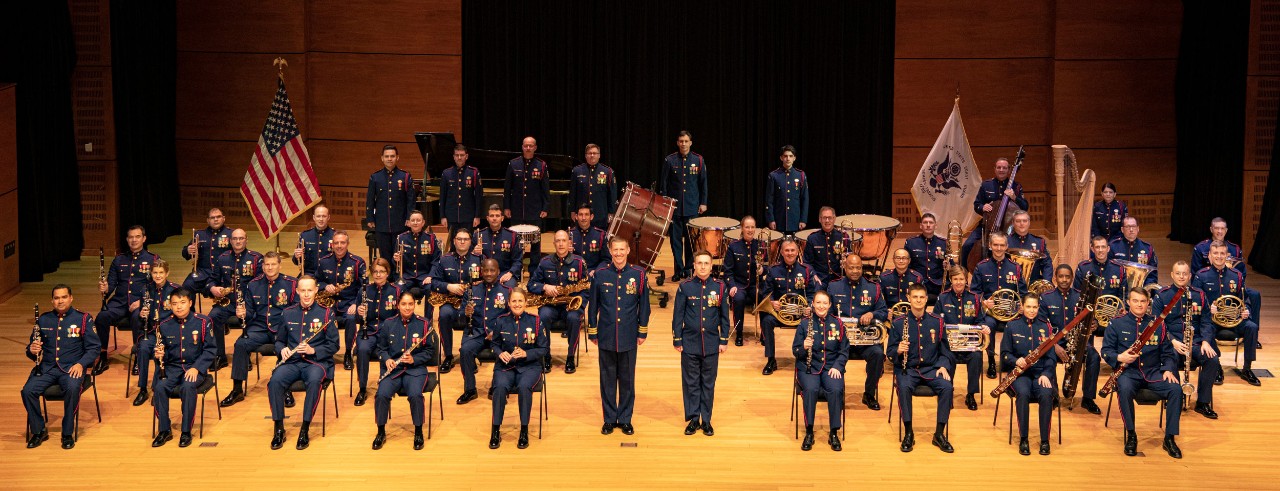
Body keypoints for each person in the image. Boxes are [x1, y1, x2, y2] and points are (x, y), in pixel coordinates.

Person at [1102, 288, 1183, 459]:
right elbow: (1106, 351)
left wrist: (1168, 368)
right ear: (1128, 302)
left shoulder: (1158, 324)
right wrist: (1120, 357)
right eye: (1135, 301)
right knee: (1124, 389)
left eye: (1143, 301)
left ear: (1148, 304)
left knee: (1176, 389)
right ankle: (1131, 434)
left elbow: (1168, 353)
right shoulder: (1116, 323)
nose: (1139, 305)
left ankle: (1169, 438)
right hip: (1129, 373)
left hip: (1153, 372)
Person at [23, 284, 100, 449]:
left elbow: (94, 348)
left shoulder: (83, 319)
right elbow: (32, 350)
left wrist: (81, 364)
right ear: (52, 301)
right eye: (56, 298)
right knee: (28, 391)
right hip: (47, 369)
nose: (60, 301)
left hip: (72, 368)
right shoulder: (43, 319)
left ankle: (67, 433)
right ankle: (39, 431)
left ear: (71, 298)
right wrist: (32, 350)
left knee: (72, 389)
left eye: (64, 297)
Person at [268, 276, 340, 450]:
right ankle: (279, 428)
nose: (306, 294)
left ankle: (304, 428)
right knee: (274, 382)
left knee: (314, 382)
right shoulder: (287, 313)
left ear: (316, 291)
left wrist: (313, 350)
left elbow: (334, 345)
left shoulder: (326, 313)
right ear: (297, 292)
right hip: (292, 362)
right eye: (303, 291)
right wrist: (282, 349)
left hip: (316, 363)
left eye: (310, 290)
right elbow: (279, 341)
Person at [590, 237, 651, 435]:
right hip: (606, 334)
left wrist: (642, 331)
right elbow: (593, 305)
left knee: (627, 380)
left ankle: (625, 419)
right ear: (610, 251)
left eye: (621, 249)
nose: (618, 253)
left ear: (628, 250)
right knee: (607, 379)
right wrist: (593, 330)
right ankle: (609, 419)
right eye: (615, 250)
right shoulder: (600, 274)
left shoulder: (638, 274)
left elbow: (644, 306)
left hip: (628, 335)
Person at [220, 252, 297, 408]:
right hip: (259, 327)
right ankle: (237, 390)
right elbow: (249, 312)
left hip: (282, 327)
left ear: (280, 265)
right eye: (267, 264)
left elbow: (296, 310)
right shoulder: (253, 284)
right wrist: (243, 313)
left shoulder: (291, 283)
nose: (270, 267)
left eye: (273, 264)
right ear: (262, 266)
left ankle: (286, 389)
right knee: (240, 344)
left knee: (286, 347)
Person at [889, 283, 955, 453]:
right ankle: (908, 432)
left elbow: (945, 350)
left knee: (947, 387)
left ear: (926, 299)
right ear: (909, 299)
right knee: (903, 387)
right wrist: (898, 350)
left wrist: (943, 366)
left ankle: (939, 434)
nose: (918, 300)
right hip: (908, 369)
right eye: (915, 297)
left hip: (932, 368)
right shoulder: (898, 323)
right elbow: (889, 352)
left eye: (921, 297)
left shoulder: (937, 321)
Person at [673, 250, 731, 437]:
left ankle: (706, 420)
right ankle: (693, 419)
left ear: (711, 266)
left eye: (706, 263)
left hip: (712, 343)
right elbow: (678, 315)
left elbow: (724, 316)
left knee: (708, 383)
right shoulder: (685, 287)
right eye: (700, 263)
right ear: (694, 265)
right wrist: (677, 339)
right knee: (691, 383)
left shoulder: (720, 287)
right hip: (689, 342)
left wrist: (723, 340)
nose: (703, 267)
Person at [150, 288, 217, 448]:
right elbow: (160, 352)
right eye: (174, 304)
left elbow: (210, 350)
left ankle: (186, 431)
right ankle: (164, 430)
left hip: (194, 367)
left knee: (187, 386)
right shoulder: (164, 325)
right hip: (172, 368)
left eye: (182, 302)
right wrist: (158, 354)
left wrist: (197, 368)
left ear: (190, 303)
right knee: (159, 387)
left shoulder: (203, 322)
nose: (178, 307)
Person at [1152, 261, 1220, 419]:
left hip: (1195, 342)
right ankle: (1176, 397)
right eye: (1178, 273)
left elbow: (1206, 322)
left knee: (1212, 359)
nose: (1181, 276)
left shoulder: (1199, 295)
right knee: (1171, 358)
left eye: (1184, 274)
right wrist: (1172, 341)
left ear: (1190, 276)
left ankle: (1203, 402)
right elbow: (1157, 324)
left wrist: (1206, 341)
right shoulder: (1162, 295)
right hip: (1172, 343)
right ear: (1172, 275)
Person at [372, 291, 437, 451]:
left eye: (410, 304)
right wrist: (387, 359)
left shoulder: (424, 324)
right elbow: (381, 348)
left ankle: (418, 431)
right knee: (381, 395)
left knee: (415, 395)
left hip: (415, 370)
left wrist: (415, 359)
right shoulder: (388, 324)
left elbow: (429, 351)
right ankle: (380, 432)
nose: (407, 307)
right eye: (403, 304)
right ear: (398, 305)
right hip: (393, 370)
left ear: (415, 305)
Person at [488, 288, 549, 449]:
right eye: (513, 301)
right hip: (505, 366)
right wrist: (500, 353)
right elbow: (494, 344)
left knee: (524, 387)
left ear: (526, 303)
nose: (517, 304)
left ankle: (524, 430)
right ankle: (495, 429)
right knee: (499, 387)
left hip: (529, 366)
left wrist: (526, 354)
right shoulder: (500, 320)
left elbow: (544, 349)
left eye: (520, 300)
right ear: (508, 303)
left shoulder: (536, 321)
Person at [94, 225, 159, 375]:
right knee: (102, 317)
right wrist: (105, 288)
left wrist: (143, 302)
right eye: (131, 237)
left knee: (138, 317)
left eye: (137, 236)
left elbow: (157, 286)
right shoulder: (119, 260)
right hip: (120, 302)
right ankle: (103, 356)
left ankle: (138, 356)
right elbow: (112, 284)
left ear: (144, 239)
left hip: (140, 302)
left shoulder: (153, 259)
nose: (134, 240)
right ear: (127, 239)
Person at [1072, 236, 1127, 414]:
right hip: (1089, 319)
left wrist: (1120, 312)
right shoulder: (1083, 268)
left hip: (1112, 321)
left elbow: (1123, 297)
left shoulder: (1119, 269)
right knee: (1091, 356)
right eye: (1097, 247)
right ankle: (1088, 398)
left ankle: (1122, 384)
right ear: (1092, 248)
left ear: (1108, 249)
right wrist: (1089, 318)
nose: (1101, 250)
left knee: (1123, 346)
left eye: (1104, 247)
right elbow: (1077, 296)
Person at [825, 254, 887, 410]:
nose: (855, 271)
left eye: (858, 268)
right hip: (840, 340)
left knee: (878, 354)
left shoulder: (873, 287)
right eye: (851, 267)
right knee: (827, 352)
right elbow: (827, 313)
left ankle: (869, 394)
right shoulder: (833, 286)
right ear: (845, 267)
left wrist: (872, 314)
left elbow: (883, 311)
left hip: (864, 340)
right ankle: (836, 392)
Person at [1194, 241, 1261, 386]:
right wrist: (1208, 309)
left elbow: (1244, 299)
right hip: (1212, 320)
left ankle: (1247, 368)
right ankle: (1216, 367)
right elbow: (1195, 301)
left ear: (1227, 255)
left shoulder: (1237, 275)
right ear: (1209, 256)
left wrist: (1245, 311)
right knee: (1206, 329)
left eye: (1222, 253)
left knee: (1252, 327)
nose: (1219, 256)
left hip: (1234, 320)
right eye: (1215, 253)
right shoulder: (1201, 276)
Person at [1190, 217, 1261, 349]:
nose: (1219, 231)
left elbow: (1242, 274)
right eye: (1217, 228)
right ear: (1211, 229)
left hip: (1231, 286)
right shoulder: (1201, 249)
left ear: (1226, 230)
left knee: (1254, 297)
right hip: (1209, 288)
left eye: (1222, 228)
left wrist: (1245, 310)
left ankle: (1252, 340)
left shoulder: (1235, 249)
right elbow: (1195, 276)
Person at [1000, 293, 1057, 456]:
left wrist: (1046, 374)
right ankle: (1023, 439)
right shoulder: (1012, 326)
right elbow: (1004, 354)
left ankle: (1045, 440)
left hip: (1041, 374)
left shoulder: (1046, 327)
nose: (1032, 310)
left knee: (1046, 394)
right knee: (1023, 394)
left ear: (1038, 308)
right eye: (1028, 307)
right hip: (1020, 374)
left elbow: (1051, 357)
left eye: (1035, 307)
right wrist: (1015, 360)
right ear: (1022, 307)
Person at [793, 290, 848, 451]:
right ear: (813, 304)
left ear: (830, 305)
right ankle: (809, 431)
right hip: (809, 368)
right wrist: (803, 347)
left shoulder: (838, 323)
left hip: (831, 367)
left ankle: (833, 432)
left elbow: (844, 350)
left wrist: (838, 366)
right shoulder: (804, 324)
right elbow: (795, 351)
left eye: (825, 303)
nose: (821, 306)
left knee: (836, 389)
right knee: (811, 389)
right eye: (818, 302)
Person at [527, 231, 589, 373]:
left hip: (571, 306)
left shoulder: (579, 263)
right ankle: (546, 355)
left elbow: (586, 288)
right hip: (551, 305)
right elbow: (531, 284)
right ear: (554, 243)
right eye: (558, 241)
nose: (561, 244)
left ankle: (570, 356)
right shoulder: (545, 262)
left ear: (569, 243)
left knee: (574, 318)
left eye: (564, 240)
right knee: (543, 316)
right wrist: (544, 287)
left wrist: (578, 304)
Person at [971, 232, 1026, 379]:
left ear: (1007, 246)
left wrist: (1022, 305)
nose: (999, 248)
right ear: (990, 246)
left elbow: (1023, 292)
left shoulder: (1015, 267)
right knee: (988, 326)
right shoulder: (981, 267)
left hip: (1011, 313)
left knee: (1015, 326)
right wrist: (983, 302)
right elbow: (974, 293)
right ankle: (991, 361)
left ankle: (1009, 360)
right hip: (990, 313)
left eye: (1002, 245)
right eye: (995, 245)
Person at [429, 228, 485, 373]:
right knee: (444, 314)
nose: (462, 242)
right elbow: (434, 282)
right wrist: (449, 286)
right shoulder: (444, 259)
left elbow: (487, 281)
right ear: (454, 241)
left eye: (465, 239)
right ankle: (448, 356)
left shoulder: (479, 259)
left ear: (470, 242)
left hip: (473, 301)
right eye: (459, 239)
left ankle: (469, 355)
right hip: (450, 301)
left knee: (477, 315)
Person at [457, 259, 511, 404]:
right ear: (481, 272)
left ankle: (496, 387)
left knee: (505, 350)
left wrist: (498, 332)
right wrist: (466, 313)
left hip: (498, 335)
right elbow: (460, 315)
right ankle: (470, 389)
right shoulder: (471, 290)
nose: (488, 273)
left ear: (498, 272)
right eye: (486, 270)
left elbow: (511, 318)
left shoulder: (507, 291)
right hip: (476, 332)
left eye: (492, 270)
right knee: (465, 351)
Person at [760, 238, 816, 375]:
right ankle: (771, 360)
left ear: (797, 252)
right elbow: (766, 293)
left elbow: (812, 294)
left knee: (813, 322)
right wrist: (772, 302)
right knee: (766, 321)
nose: (790, 253)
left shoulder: (806, 270)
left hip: (801, 314)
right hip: (780, 313)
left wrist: (809, 306)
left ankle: (808, 358)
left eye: (792, 250)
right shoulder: (773, 270)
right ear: (781, 252)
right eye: (787, 250)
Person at [208, 228, 262, 369]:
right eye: (235, 239)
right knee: (213, 316)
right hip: (229, 302)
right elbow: (212, 280)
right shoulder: (223, 258)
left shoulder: (256, 258)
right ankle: (220, 356)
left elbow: (261, 283)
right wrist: (213, 288)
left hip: (248, 303)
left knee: (251, 316)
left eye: (241, 238)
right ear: (230, 241)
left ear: (246, 240)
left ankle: (244, 354)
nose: (238, 241)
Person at [935, 266, 988, 411]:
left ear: (966, 280)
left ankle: (971, 394)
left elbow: (980, 320)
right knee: (947, 356)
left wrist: (983, 327)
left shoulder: (974, 298)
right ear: (951, 280)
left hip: (969, 344)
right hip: (949, 344)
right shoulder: (942, 298)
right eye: (955, 279)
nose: (958, 282)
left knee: (977, 356)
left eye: (961, 279)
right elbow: (935, 321)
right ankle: (947, 392)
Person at [658, 130, 708, 280]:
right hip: (675, 208)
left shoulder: (698, 160)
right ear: (677, 143)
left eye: (686, 141)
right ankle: (678, 271)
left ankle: (688, 270)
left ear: (690, 143)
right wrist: (665, 204)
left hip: (692, 207)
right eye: (681, 141)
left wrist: (703, 202)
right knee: (675, 242)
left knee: (691, 242)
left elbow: (703, 183)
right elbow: (664, 184)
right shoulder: (670, 160)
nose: (683, 144)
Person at [352, 258, 403, 406]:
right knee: (362, 349)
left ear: (388, 273)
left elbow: (401, 316)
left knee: (389, 350)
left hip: (388, 333)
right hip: (368, 332)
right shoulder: (364, 290)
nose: (378, 275)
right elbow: (357, 319)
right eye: (375, 272)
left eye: (382, 271)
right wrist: (359, 313)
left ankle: (385, 386)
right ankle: (362, 388)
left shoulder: (396, 291)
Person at [960, 157, 1027, 264]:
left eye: (1004, 168)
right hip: (987, 226)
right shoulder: (986, 185)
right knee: (967, 246)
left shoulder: (1016, 187)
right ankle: (962, 271)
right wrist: (983, 207)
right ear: (994, 169)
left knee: (1015, 249)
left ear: (1009, 170)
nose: (1001, 170)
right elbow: (977, 205)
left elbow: (1025, 207)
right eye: (999, 167)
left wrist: (1014, 197)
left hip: (1008, 229)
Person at [132, 259, 180, 406]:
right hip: (152, 332)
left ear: (167, 273)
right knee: (143, 348)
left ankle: (156, 388)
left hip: (169, 334)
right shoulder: (146, 289)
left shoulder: (175, 290)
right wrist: (142, 314)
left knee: (160, 352)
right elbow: (141, 318)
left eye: (161, 272)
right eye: (155, 273)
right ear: (151, 273)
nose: (158, 276)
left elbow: (182, 314)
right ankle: (142, 389)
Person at [316, 231, 366, 371]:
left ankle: (348, 353)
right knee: (323, 317)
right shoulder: (324, 261)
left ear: (347, 244)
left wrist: (356, 303)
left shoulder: (357, 262)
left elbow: (364, 287)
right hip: (329, 302)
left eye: (342, 243)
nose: (339, 246)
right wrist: (325, 286)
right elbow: (316, 281)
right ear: (332, 244)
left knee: (350, 318)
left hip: (350, 302)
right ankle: (327, 351)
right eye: (336, 243)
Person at [365, 144, 416, 278]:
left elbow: (411, 200)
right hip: (381, 224)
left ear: (397, 158)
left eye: (392, 156)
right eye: (387, 156)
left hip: (400, 224)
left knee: (399, 254)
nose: (389, 159)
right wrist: (370, 218)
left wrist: (409, 218)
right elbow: (370, 200)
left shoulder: (405, 177)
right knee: (385, 255)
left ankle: (399, 278)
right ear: (382, 158)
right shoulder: (375, 177)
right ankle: (386, 279)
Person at [503, 136, 550, 266]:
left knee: (535, 243)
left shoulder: (541, 165)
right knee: (515, 242)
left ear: (535, 148)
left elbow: (545, 188)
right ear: (522, 147)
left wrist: (545, 207)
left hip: (534, 210)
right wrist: (506, 207)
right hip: (516, 210)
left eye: (531, 146)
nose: (528, 148)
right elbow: (507, 188)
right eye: (526, 146)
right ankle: (516, 268)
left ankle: (534, 269)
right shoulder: (513, 164)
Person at [723, 215, 768, 347]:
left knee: (764, 298)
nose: (750, 230)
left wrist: (763, 270)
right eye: (747, 227)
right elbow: (728, 271)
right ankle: (739, 333)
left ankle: (764, 333)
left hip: (755, 284)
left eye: (752, 227)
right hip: (739, 284)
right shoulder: (733, 247)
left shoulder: (761, 245)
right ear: (742, 228)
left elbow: (768, 267)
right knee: (738, 299)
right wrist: (731, 285)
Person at [438, 143, 484, 245]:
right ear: (453, 157)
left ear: (466, 156)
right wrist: (442, 216)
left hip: (468, 216)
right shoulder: (446, 173)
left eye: (462, 155)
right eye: (457, 155)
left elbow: (478, 197)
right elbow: (442, 197)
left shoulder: (474, 172)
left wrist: (477, 216)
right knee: (453, 243)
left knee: (468, 243)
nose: (459, 157)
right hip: (451, 216)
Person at [182, 208, 233, 295]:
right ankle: (190, 305)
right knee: (187, 286)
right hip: (203, 274)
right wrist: (188, 250)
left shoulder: (231, 234)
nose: (216, 219)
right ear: (208, 220)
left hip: (223, 275)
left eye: (218, 217)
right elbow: (185, 254)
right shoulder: (200, 234)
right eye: (212, 217)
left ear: (223, 218)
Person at [569, 143, 618, 231]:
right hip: (582, 215)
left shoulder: (608, 171)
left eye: (595, 153)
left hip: (600, 214)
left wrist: (611, 212)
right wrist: (572, 210)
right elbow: (573, 193)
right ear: (585, 156)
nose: (592, 155)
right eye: (589, 153)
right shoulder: (577, 171)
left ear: (599, 155)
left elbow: (612, 194)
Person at [395, 210, 441, 300]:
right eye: (413, 220)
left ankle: (428, 310)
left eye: (418, 220)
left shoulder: (431, 238)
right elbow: (396, 263)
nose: (415, 223)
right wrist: (396, 260)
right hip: (407, 276)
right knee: (397, 289)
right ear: (408, 223)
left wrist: (430, 276)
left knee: (431, 289)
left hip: (425, 275)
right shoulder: (401, 238)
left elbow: (436, 260)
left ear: (423, 223)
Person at [474, 204, 524, 288]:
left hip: (504, 273)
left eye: (497, 216)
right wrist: (474, 252)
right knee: (473, 287)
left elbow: (518, 261)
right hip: (483, 274)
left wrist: (510, 273)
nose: (494, 218)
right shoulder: (478, 235)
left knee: (508, 287)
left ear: (502, 218)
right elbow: (470, 259)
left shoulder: (512, 236)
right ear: (487, 218)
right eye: (492, 216)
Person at [764, 145, 809, 236]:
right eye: (785, 156)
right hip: (778, 220)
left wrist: (803, 219)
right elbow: (769, 200)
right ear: (781, 158)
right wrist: (771, 219)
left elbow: (805, 199)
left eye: (790, 156)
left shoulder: (800, 175)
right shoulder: (774, 176)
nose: (788, 159)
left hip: (795, 221)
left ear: (794, 158)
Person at [801, 206, 851, 286]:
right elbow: (807, 262)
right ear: (820, 219)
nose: (827, 221)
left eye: (830, 218)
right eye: (824, 218)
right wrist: (813, 275)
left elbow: (850, 258)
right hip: (819, 279)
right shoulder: (812, 238)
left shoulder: (843, 236)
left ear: (834, 219)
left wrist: (846, 262)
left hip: (838, 278)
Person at [905, 212, 948, 299]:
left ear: (935, 226)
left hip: (938, 285)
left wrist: (948, 266)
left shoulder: (943, 243)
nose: (928, 225)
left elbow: (952, 266)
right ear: (921, 226)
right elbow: (906, 266)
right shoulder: (911, 242)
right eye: (925, 222)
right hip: (917, 284)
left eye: (931, 223)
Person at [1108, 216, 1159, 287]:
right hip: (1118, 287)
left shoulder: (1147, 248)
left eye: (1133, 226)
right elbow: (1108, 269)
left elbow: (1153, 274)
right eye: (1127, 227)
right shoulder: (1113, 246)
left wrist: (1146, 288)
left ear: (1138, 229)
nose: (1131, 230)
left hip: (1140, 289)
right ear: (1122, 229)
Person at [1007, 210, 1053, 287]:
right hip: (1011, 284)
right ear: (1013, 223)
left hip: (1033, 285)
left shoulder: (1039, 242)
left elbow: (1046, 264)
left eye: (1024, 221)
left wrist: (1046, 283)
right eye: (1018, 221)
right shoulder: (1006, 241)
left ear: (1029, 223)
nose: (1021, 223)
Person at [292, 205, 334, 277]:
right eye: (318, 216)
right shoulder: (305, 235)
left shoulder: (335, 235)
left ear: (328, 217)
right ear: (314, 217)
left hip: (328, 275)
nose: (321, 219)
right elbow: (297, 262)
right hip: (309, 275)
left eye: (324, 216)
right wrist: (297, 256)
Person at [569, 205, 608, 271]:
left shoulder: (600, 235)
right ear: (576, 217)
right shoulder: (568, 235)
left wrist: (596, 271)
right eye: (581, 215)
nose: (583, 218)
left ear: (591, 217)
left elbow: (606, 260)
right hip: (574, 272)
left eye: (586, 214)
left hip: (594, 273)